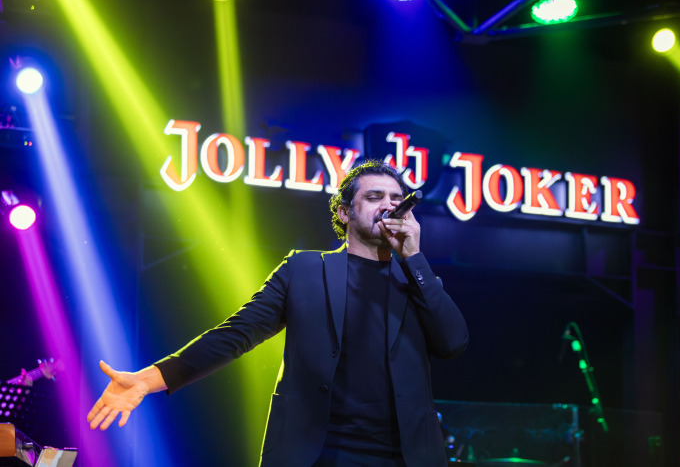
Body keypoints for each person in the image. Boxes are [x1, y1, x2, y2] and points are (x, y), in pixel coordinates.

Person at [86, 160, 468, 467]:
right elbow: (238, 332)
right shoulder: (305, 269)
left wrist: (414, 257)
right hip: (318, 452)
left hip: (404, 456)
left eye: (396, 198)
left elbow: (453, 343)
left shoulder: (419, 280)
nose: (388, 204)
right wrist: (150, 379)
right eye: (374, 196)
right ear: (344, 212)